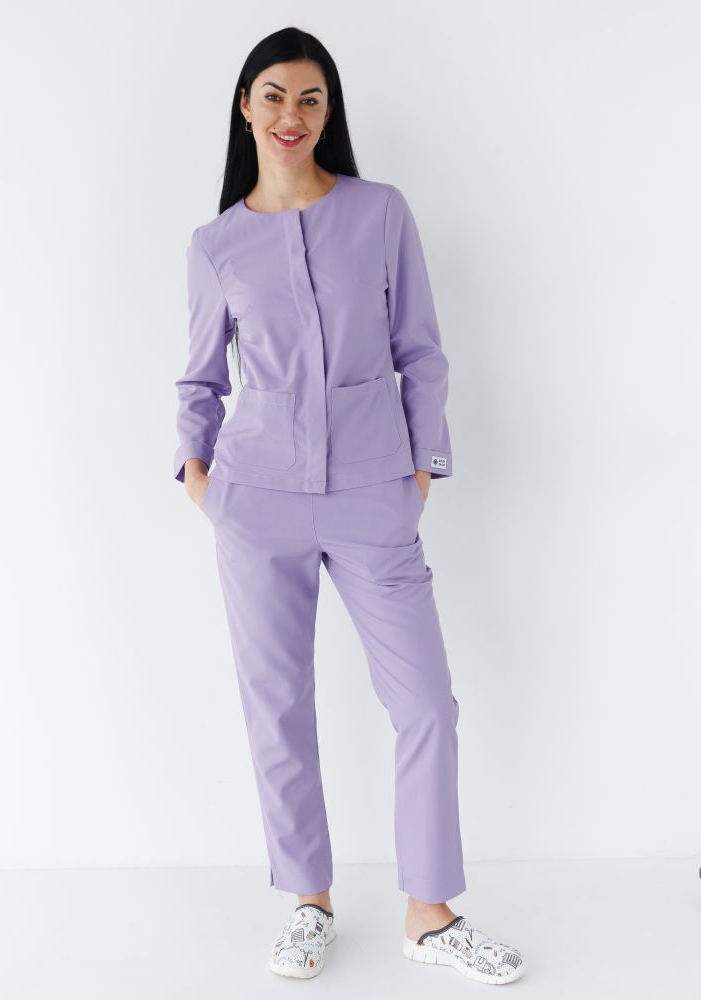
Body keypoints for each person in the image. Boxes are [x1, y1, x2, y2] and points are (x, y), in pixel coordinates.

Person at [173, 26, 525, 986]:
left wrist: (421, 471)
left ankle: (430, 914)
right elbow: (200, 380)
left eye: (311, 98)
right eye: (275, 95)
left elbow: (422, 349)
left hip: (375, 494)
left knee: (427, 705)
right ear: (246, 106)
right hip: (256, 502)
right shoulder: (216, 245)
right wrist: (202, 482)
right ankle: (309, 903)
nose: (292, 115)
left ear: (329, 112)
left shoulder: (380, 213)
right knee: (277, 707)